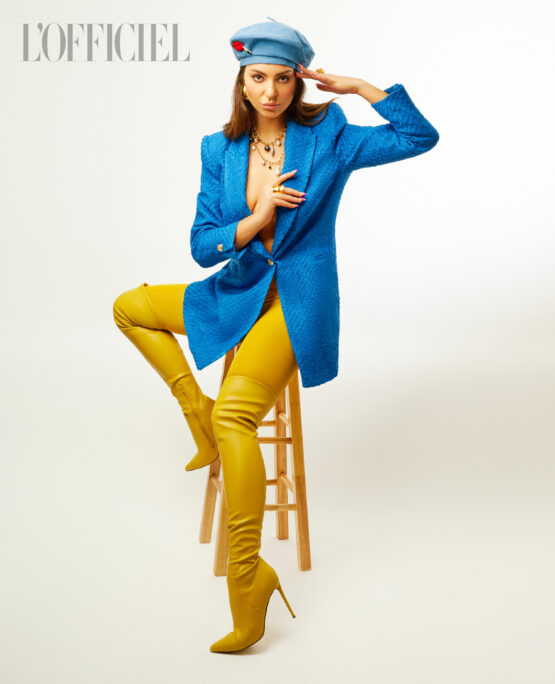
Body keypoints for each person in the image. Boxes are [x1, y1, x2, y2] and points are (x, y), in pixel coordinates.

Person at [112, 16, 440, 653]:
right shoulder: (218, 149)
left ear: (298, 82)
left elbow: (418, 136)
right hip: (237, 291)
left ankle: (248, 579)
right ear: (241, 81)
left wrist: (360, 88)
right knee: (130, 308)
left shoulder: (330, 136)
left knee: (237, 417)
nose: (270, 91)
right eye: (258, 78)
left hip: (296, 303)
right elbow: (202, 244)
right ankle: (197, 414)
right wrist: (257, 216)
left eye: (283, 79)